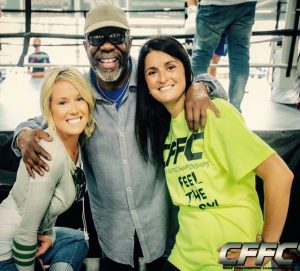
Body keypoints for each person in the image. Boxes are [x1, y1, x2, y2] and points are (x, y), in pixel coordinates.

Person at [11, 4, 227, 271]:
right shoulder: (80, 94)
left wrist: (200, 86)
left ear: (129, 41)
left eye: (115, 36)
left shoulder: (151, 79)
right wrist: (24, 136)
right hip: (112, 235)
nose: (106, 46)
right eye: (96, 38)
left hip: (160, 226)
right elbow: (38, 121)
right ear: (86, 45)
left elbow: (201, 84)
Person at [135, 36, 293, 271]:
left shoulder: (217, 114)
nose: (163, 78)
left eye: (170, 67)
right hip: (185, 256)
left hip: (231, 257)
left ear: (186, 70)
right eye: (152, 72)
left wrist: (266, 251)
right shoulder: (164, 130)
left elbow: (280, 175)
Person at [0, 66, 95, 271]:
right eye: (62, 102)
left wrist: (49, 234)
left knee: (77, 240)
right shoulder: (49, 155)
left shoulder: (75, 143)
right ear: (49, 108)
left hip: (30, 238)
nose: (74, 109)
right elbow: (23, 237)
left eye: (79, 99)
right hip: (8, 250)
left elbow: (46, 209)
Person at [191, 0, 257, 112]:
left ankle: (197, 104)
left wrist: (192, 8)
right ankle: (235, 110)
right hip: (246, 4)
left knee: (201, 55)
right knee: (240, 57)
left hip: (215, 4)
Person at [184, 0, 228, 78]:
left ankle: (211, 86)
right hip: (201, 18)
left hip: (222, 16)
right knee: (199, 58)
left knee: (214, 59)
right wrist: (193, 12)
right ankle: (201, 85)